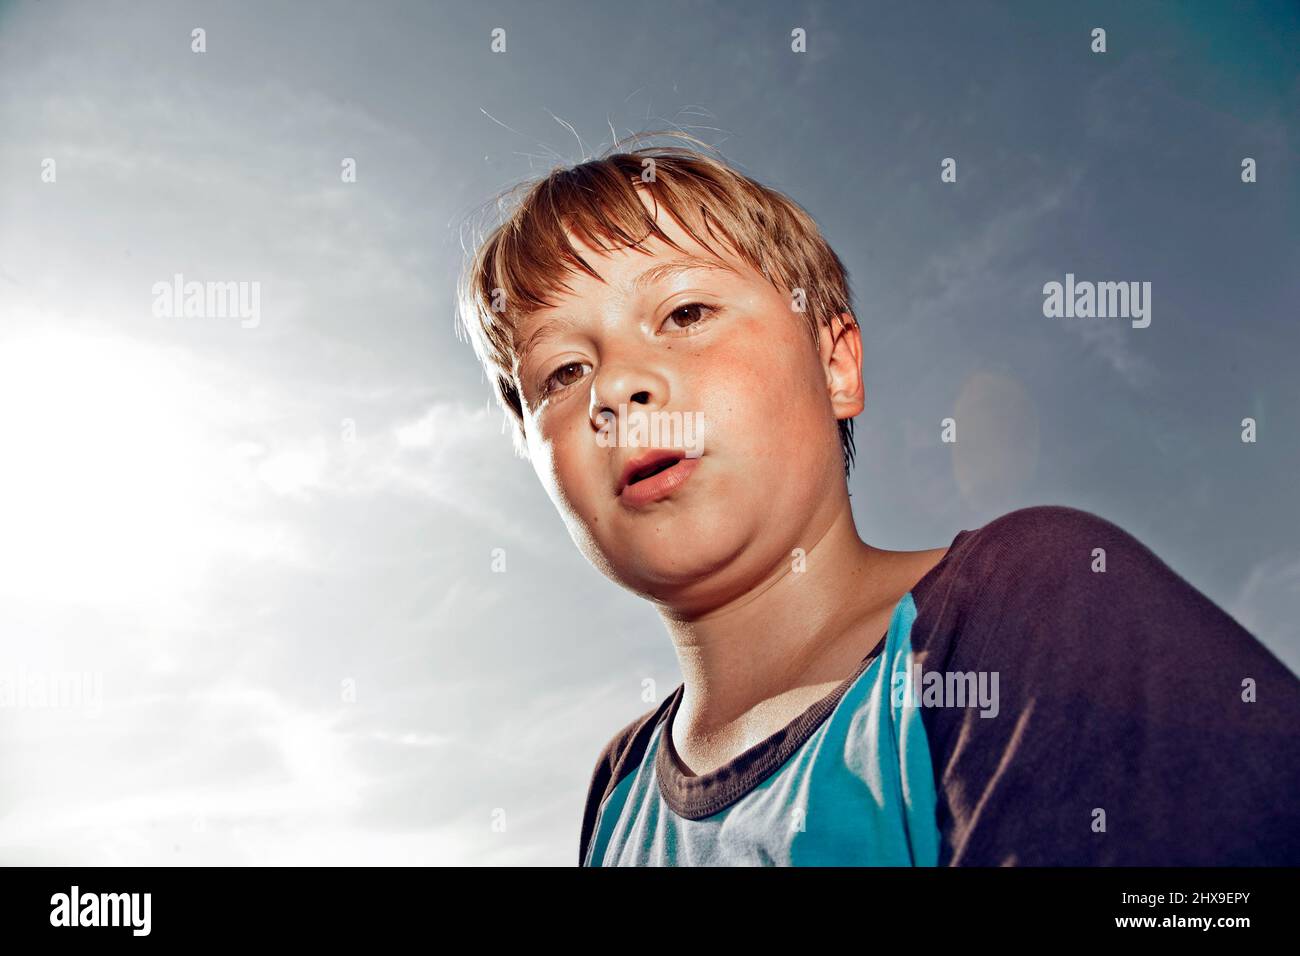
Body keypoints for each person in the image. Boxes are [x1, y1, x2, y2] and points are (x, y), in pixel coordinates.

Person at [456, 134, 1300, 866]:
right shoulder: (618, 794)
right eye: (563, 372)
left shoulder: (1032, 604)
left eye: (685, 313)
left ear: (836, 366)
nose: (617, 386)